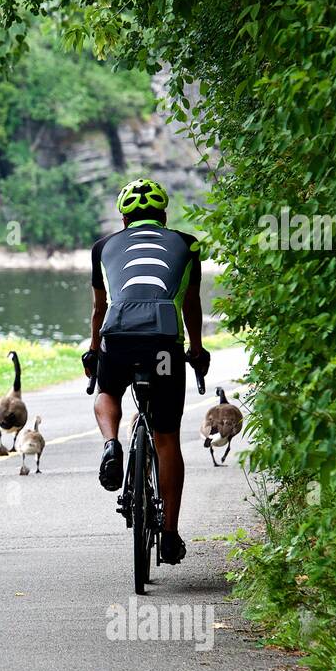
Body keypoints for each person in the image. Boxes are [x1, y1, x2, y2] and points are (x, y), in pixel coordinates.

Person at [82, 178, 209, 564]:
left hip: (117, 339)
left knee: (107, 392)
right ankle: (169, 536)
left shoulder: (102, 248)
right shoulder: (187, 245)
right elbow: (190, 304)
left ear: (123, 219)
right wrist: (197, 348)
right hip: (163, 349)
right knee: (167, 435)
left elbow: (99, 309)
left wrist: (93, 351)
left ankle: (111, 444)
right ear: (164, 215)